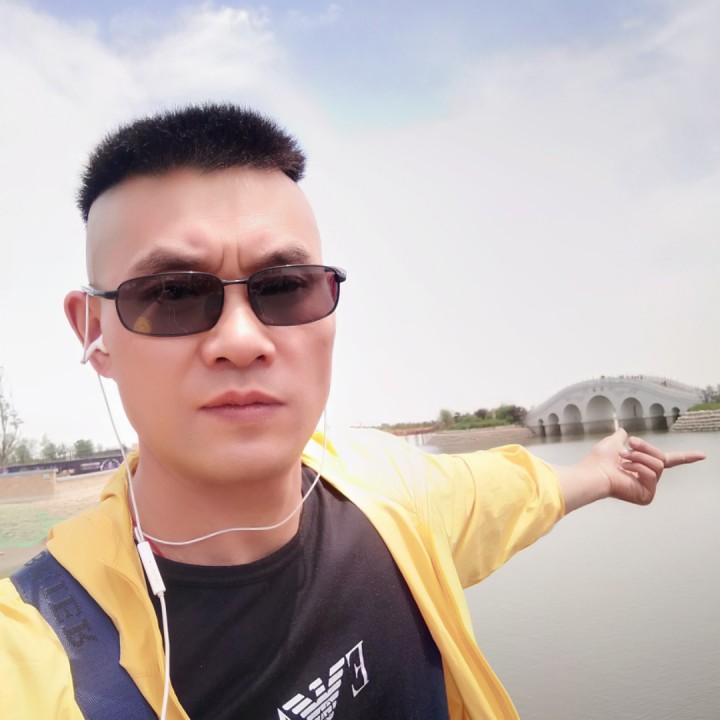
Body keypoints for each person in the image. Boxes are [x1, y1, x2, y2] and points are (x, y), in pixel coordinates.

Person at [0, 104, 704, 720]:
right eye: (174, 294)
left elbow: (511, 493)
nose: (241, 340)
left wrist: (602, 471)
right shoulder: (42, 650)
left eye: (284, 286)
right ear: (93, 331)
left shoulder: (384, 493)